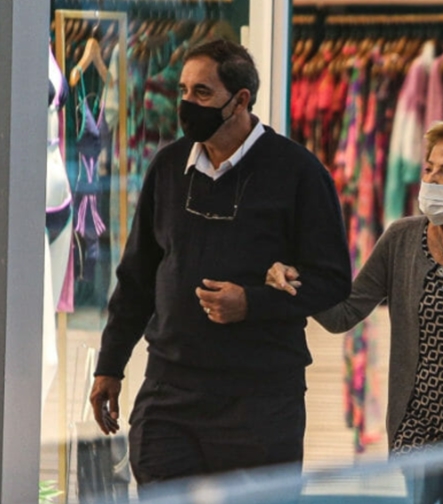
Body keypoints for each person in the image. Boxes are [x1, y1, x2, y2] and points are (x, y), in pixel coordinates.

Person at [88, 39, 351, 489]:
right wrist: (110, 365)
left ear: (241, 100)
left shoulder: (299, 172)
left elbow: (332, 281)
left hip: (261, 401)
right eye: (184, 92)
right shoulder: (168, 167)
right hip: (169, 393)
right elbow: (137, 279)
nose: (188, 104)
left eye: (203, 93)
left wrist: (252, 302)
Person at [266, 113, 443, 504]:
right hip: (417, 430)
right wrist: (296, 277)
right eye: (429, 168)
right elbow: (343, 314)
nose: (431, 180)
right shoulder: (403, 238)